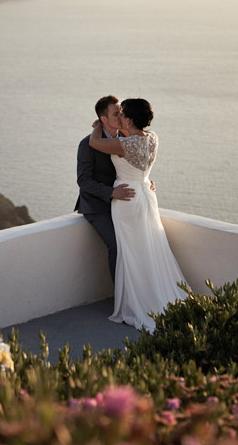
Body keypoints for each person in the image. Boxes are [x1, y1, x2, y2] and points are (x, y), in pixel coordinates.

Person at [88, 98, 188, 331]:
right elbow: (139, 159)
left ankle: (138, 303)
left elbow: (94, 142)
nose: (120, 116)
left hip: (127, 201)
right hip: (145, 193)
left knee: (131, 253)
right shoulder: (152, 139)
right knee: (148, 248)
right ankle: (154, 295)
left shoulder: (123, 145)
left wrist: (97, 125)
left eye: (122, 114)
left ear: (130, 119)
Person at [75, 95, 136, 283]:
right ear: (103, 119)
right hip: (96, 206)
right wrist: (111, 193)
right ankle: (120, 298)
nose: (121, 117)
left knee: (136, 243)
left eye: (121, 113)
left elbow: (135, 165)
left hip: (122, 201)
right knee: (117, 246)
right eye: (116, 114)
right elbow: (83, 180)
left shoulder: (127, 138)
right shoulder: (87, 144)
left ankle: (135, 293)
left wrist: (145, 181)